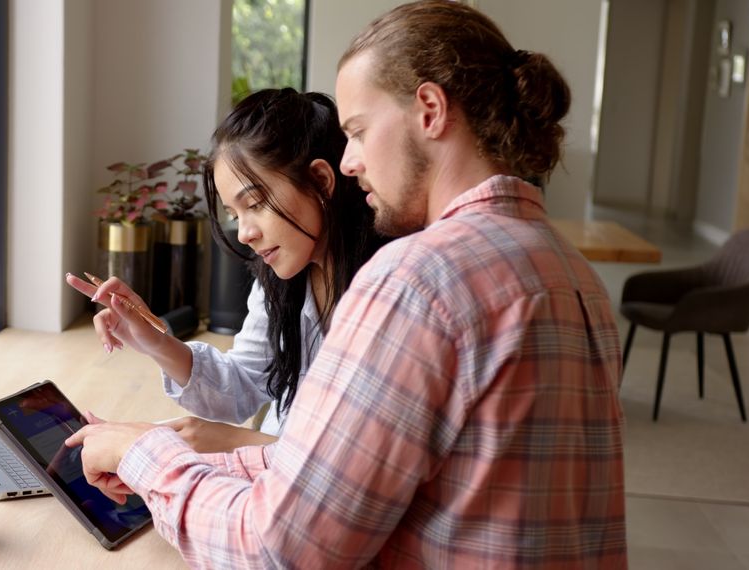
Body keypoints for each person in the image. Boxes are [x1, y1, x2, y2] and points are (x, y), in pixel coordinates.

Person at [66, 1, 628, 567]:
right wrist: (186, 440)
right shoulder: (576, 274)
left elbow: (281, 549)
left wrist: (147, 454)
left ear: (429, 110)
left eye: (357, 132)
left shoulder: (414, 281)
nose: (350, 162)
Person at [66, 88, 387, 453]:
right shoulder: (279, 281)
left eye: (255, 203)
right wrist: (154, 341)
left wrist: (221, 441)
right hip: (265, 478)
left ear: (321, 181)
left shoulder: (389, 292)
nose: (246, 233)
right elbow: (243, 384)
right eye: (235, 215)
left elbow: (356, 463)